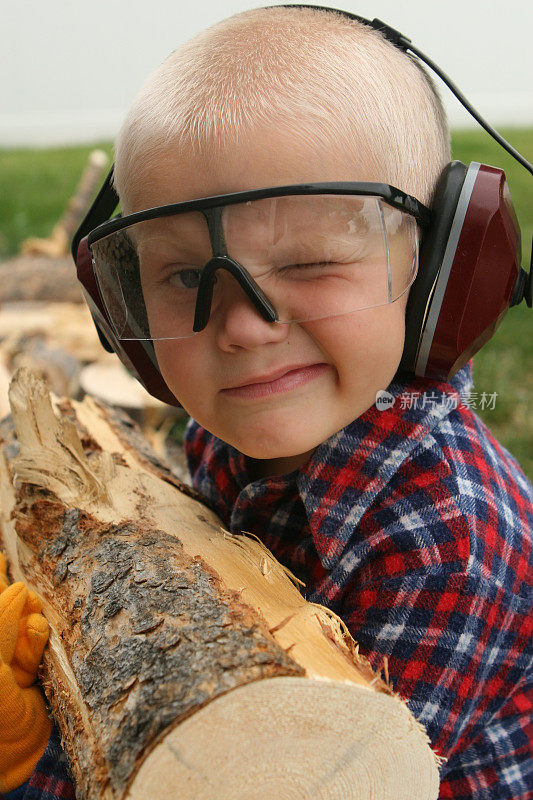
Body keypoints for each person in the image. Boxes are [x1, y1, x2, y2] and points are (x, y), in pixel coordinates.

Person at [1, 6, 531, 799]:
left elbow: (305, 780)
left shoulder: (445, 547)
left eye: (312, 262)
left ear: (444, 275)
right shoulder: (235, 430)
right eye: (184, 278)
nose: (243, 328)